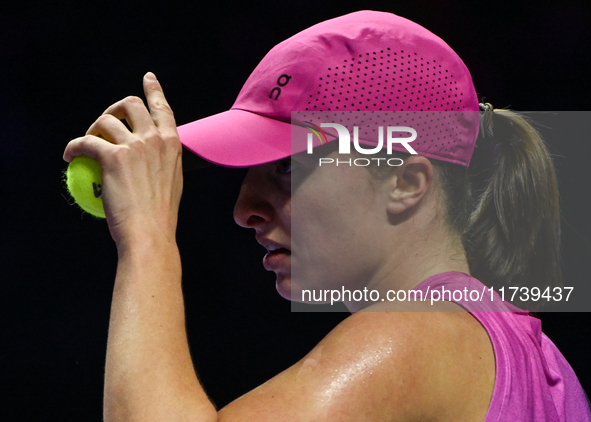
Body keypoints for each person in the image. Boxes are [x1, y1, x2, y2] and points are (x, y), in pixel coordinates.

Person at [63, 11, 590, 422]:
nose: (244, 209)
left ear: (406, 182)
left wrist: (148, 239)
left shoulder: (419, 336)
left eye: (287, 170)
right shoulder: (537, 363)